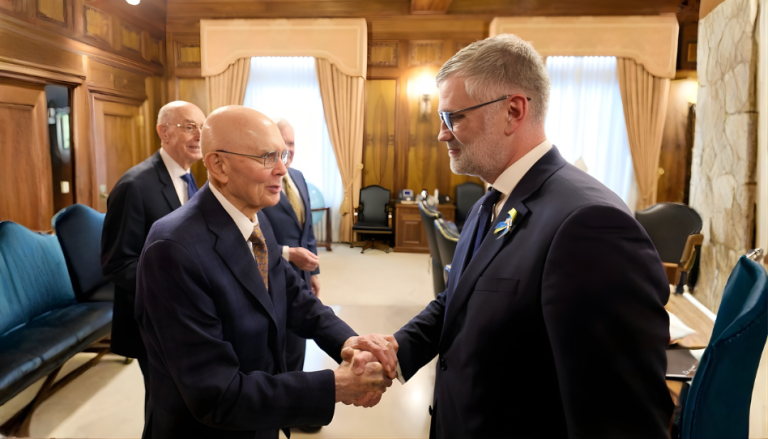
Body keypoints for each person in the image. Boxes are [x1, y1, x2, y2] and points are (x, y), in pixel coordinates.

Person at [348, 34, 674, 438]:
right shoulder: (493, 198)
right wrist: (398, 348)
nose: (442, 134)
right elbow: (460, 299)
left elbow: (620, 417)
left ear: (513, 111)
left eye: (454, 118)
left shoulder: (591, 225)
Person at [134, 105, 392, 439]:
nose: (283, 169)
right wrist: (335, 387)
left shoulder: (256, 216)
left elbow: (291, 294)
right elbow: (217, 394)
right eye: (267, 157)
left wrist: (346, 339)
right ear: (219, 165)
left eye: (283, 154)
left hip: (260, 419)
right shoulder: (172, 249)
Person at [101, 100, 205, 412]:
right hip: (153, 322)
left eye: (202, 127)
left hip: (185, 318)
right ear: (164, 132)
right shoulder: (134, 186)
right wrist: (178, 284)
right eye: (189, 126)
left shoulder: (190, 179)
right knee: (163, 407)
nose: (199, 134)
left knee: (183, 404)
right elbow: (116, 264)